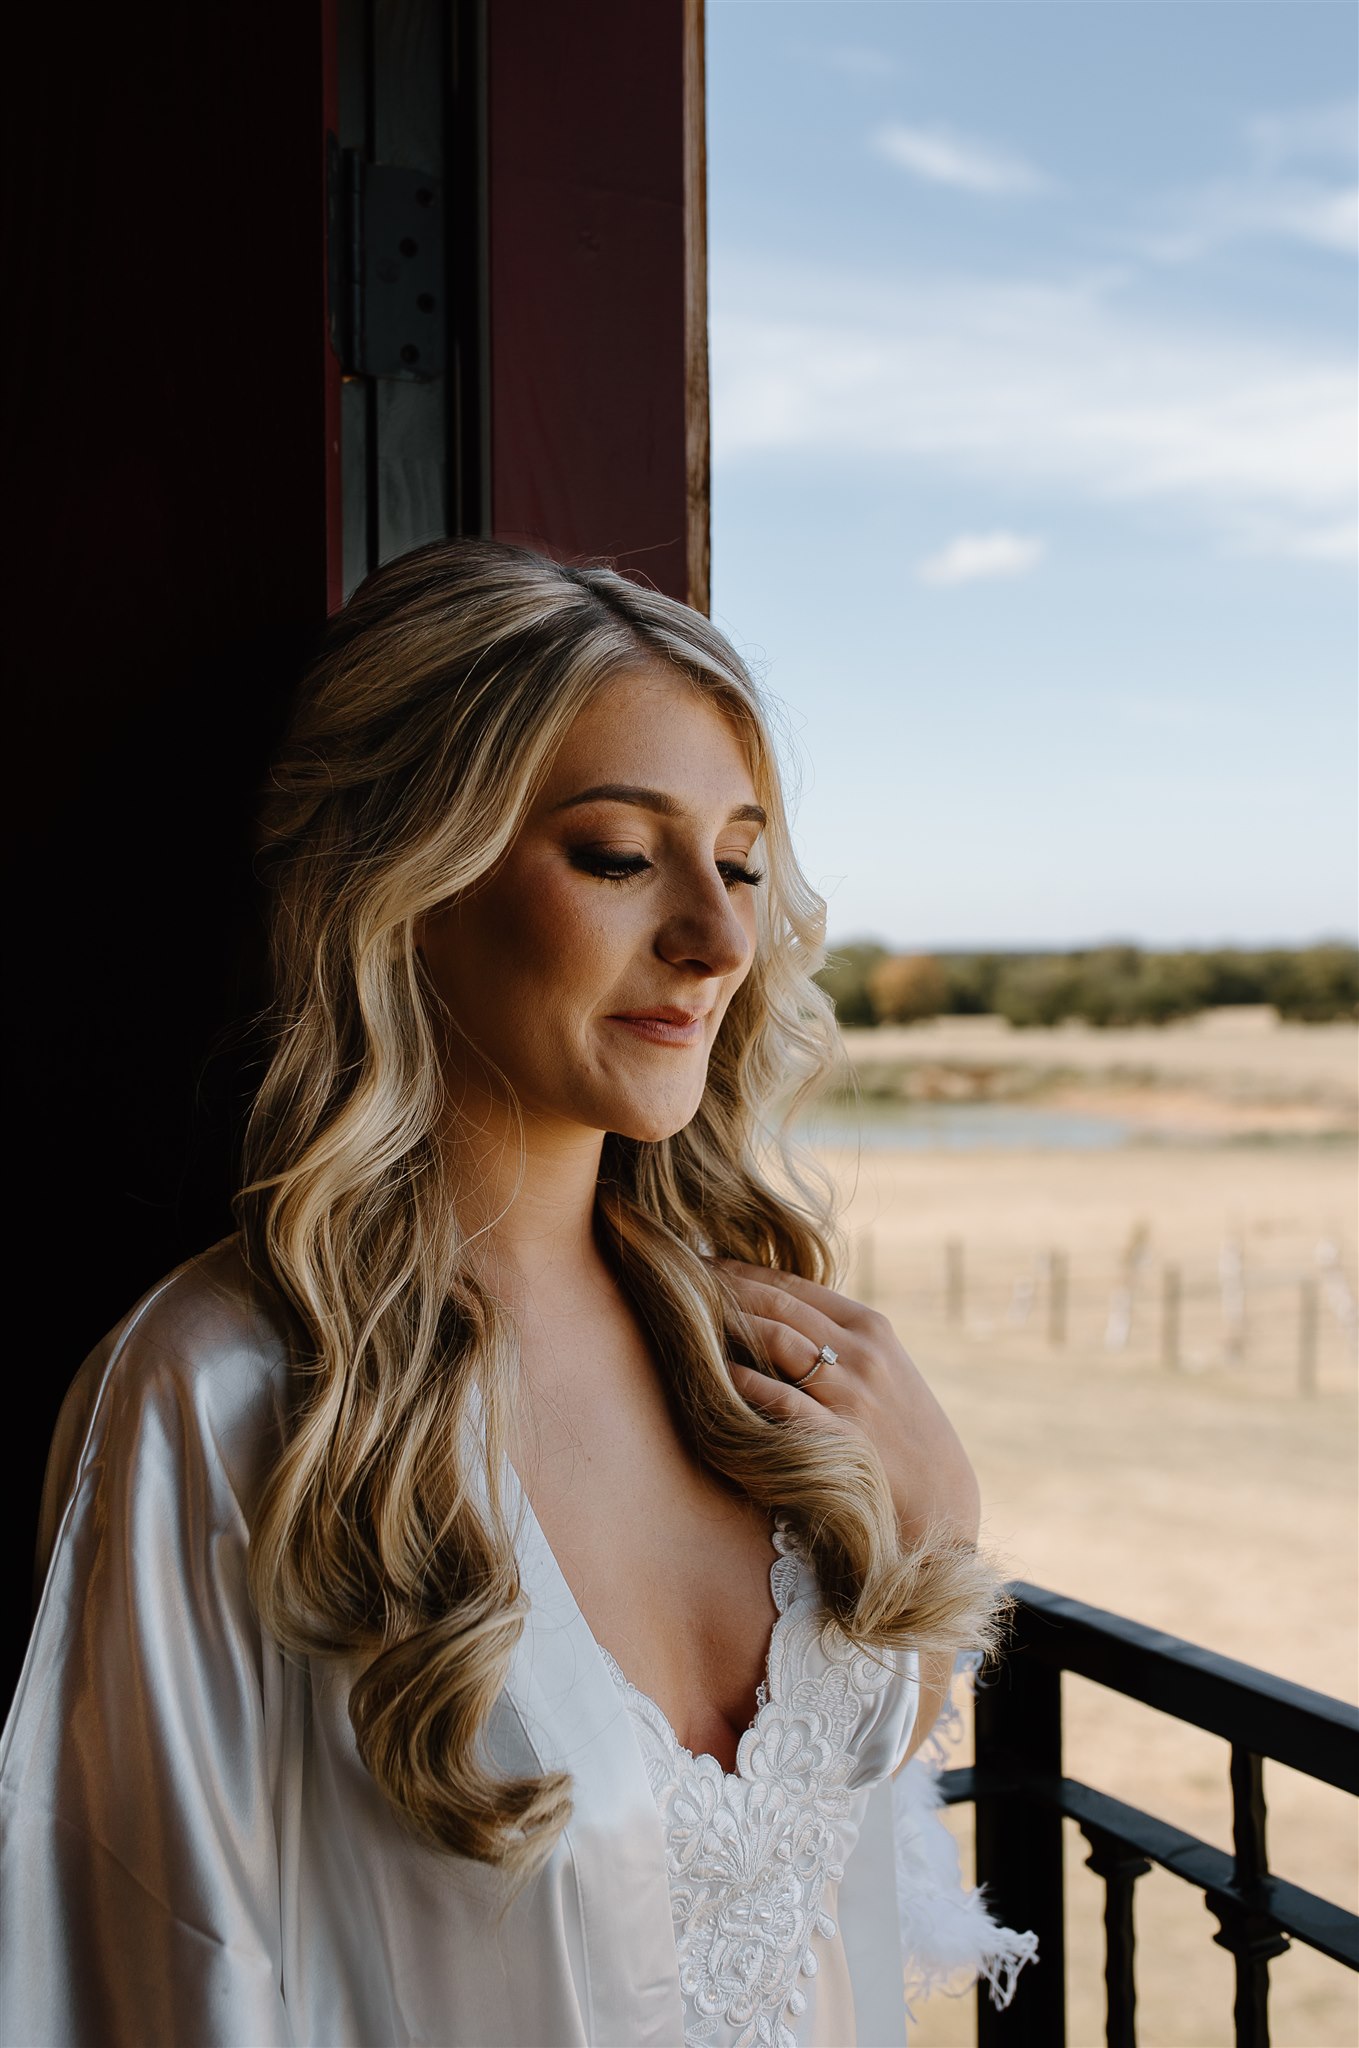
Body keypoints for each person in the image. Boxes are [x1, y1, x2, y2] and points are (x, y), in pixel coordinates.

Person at [0, 541, 1035, 2047]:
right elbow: (163, 1974)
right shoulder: (228, 1395)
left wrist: (935, 1520)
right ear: (407, 882)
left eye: (740, 862)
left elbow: (820, 1854)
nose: (721, 937)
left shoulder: (760, 1349)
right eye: (622, 855)